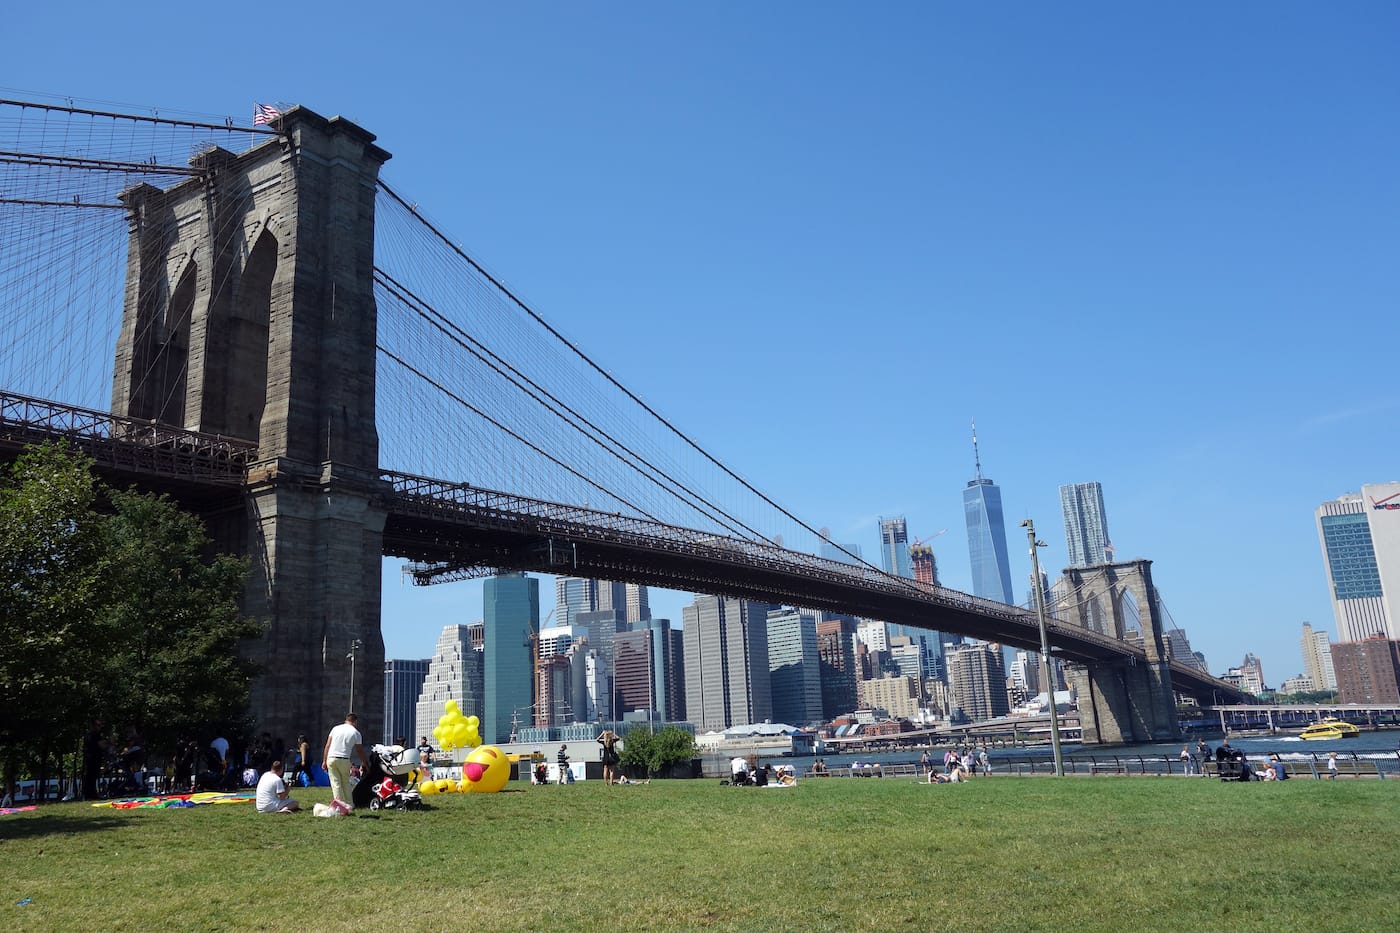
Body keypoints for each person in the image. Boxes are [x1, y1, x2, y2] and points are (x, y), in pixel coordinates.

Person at [322, 713, 368, 808]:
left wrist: (324, 760)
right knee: (346, 782)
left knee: (336, 783)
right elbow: (359, 750)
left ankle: (338, 804)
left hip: (331, 758)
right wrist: (365, 762)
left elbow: (327, 745)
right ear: (355, 721)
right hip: (344, 759)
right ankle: (349, 804)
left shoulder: (335, 728)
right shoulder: (356, 733)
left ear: (346, 720)